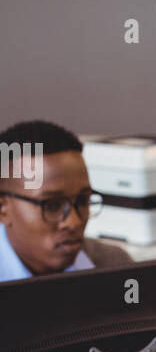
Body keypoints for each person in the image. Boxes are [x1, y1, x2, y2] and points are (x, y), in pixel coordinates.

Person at [0, 119, 129, 282]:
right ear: (3, 209)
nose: (73, 222)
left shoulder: (115, 266)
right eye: (52, 206)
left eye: (82, 201)